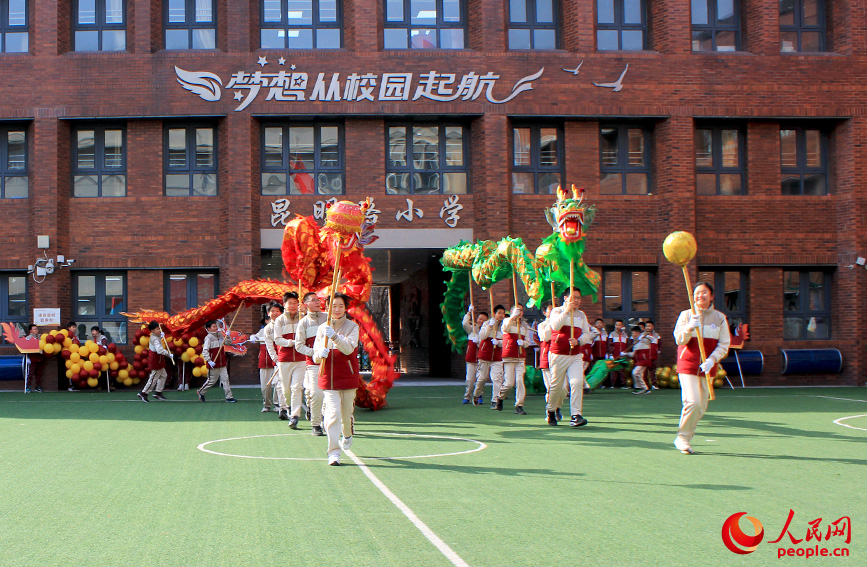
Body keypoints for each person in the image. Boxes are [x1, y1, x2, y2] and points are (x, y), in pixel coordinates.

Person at [673, 282, 730, 454]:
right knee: (693, 401)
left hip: (707, 368)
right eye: (697, 293)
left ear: (711, 296)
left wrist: (713, 359)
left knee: (701, 406)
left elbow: (724, 344)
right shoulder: (686, 314)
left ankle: (686, 436)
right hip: (688, 366)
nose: (700, 296)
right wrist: (690, 327)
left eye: (704, 292)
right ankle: (682, 437)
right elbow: (679, 339)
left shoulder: (719, 318)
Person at [312, 293, 360, 466]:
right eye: (333, 306)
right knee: (333, 414)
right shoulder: (321, 328)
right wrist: (320, 354)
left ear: (345, 307)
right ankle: (333, 452)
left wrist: (334, 337)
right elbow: (316, 357)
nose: (337, 309)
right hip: (328, 377)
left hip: (347, 376)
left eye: (340, 306)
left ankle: (347, 433)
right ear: (327, 308)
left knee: (346, 415)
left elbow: (348, 349)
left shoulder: (352, 327)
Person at [546, 288, 592, 427]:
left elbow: (586, 334)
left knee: (577, 382)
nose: (577, 300)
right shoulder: (557, 311)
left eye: (579, 298)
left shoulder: (581, 315)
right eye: (574, 297)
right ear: (565, 298)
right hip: (558, 354)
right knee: (557, 387)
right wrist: (567, 311)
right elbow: (555, 326)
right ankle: (551, 410)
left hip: (575, 355)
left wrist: (578, 341)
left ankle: (575, 415)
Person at [295, 292, 329, 436]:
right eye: (313, 300)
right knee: (315, 393)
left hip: (330, 362)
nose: (317, 302)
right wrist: (315, 353)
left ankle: (326, 419)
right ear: (306, 304)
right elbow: (299, 345)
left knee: (329, 394)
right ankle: (316, 424)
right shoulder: (303, 322)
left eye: (318, 300)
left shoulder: (328, 317)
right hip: (313, 363)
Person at [273, 292, 306, 428]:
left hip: (301, 358)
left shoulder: (304, 318)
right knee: (286, 389)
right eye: (290, 303)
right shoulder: (280, 320)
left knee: (297, 387)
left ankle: (294, 416)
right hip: (285, 359)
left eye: (295, 303)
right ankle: (287, 407)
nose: (293, 306)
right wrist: (292, 342)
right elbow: (277, 339)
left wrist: (305, 312)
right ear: (284, 304)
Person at [497, 304, 531, 414]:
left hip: (520, 357)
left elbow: (527, 341)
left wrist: (524, 343)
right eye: (517, 310)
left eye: (521, 310)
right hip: (509, 356)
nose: (519, 312)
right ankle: (500, 397)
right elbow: (504, 328)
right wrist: (512, 317)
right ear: (512, 311)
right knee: (509, 383)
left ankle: (519, 405)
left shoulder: (524, 326)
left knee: (520, 381)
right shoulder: (508, 321)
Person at [472, 304, 505, 407]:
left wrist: (499, 343)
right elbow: (482, 336)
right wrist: (490, 326)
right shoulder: (487, 323)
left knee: (497, 379)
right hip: (485, 356)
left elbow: (507, 341)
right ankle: (476, 394)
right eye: (499, 313)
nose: (501, 315)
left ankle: (495, 400)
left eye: (503, 313)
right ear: (494, 314)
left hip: (497, 357)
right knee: (481, 378)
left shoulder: (504, 325)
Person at [250, 303, 281, 413]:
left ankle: (278, 404)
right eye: (272, 312)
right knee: (265, 386)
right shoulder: (264, 330)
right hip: (265, 361)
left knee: (279, 385)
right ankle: (267, 404)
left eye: (277, 311)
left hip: (278, 360)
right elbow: (255, 337)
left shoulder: (284, 327)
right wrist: (253, 337)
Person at [199, 320, 236, 402]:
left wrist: (228, 336)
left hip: (222, 362)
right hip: (213, 363)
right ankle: (201, 392)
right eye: (214, 326)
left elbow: (228, 343)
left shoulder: (220, 335)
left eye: (216, 326)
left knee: (225, 379)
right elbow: (205, 351)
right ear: (209, 329)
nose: (216, 328)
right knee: (212, 381)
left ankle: (229, 397)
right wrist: (209, 361)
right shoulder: (208, 338)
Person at [138, 321, 173, 402]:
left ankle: (158, 392)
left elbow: (157, 340)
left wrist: (161, 336)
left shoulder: (156, 336)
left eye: (159, 329)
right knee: (153, 378)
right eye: (157, 329)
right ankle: (144, 393)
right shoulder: (155, 339)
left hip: (159, 360)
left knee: (163, 375)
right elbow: (159, 350)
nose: (159, 330)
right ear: (152, 331)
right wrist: (168, 354)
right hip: (156, 360)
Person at [461, 305, 488, 404]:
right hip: (471, 359)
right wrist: (468, 313)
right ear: (477, 319)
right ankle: (467, 395)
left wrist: (479, 342)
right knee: (470, 379)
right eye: (480, 319)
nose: (481, 321)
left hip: (482, 359)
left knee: (480, 379)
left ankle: (479, 395)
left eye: (484, 320)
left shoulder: (486, 331)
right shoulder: (472, 329)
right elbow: (464, 324)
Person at [626, 326, 652, 394]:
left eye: (633, 333)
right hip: (639, 361)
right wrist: (625, 354)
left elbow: (652, 340)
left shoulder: (645, 340)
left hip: (644, 360)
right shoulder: (635, 342)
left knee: (635, 373)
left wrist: (644, 336)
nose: (632, 335)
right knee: (639, 374)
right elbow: (633, 354)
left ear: (637, 333)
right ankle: (643, 388)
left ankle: (640, 387)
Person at [607, 319, 629, 389]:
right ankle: (613, 383)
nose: (618, 326)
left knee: (622, 369)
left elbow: (627, 345)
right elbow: (609, 345)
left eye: (619, 325)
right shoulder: (612, 334)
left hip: (622, 355)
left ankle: (624, 384)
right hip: (615, 355)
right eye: (616, 325)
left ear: (622, 326)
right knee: (614, 369)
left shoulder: (625, 335)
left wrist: (625, 353)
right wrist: (610, 354)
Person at [24, 324, 43, 393]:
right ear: (30, 331)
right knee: (31, 373)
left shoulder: (40, 337)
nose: (36, 330)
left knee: (39, 373)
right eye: (34, 329)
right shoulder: (28, 338)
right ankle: (28, 386)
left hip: (39, 357)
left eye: (37, 329)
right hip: (32, 358)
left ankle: (38, 386)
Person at [645, 320, 661, 390]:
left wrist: (658, 350)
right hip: (645, 356)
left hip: (653, 355)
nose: (648, 328)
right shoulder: (643, 335)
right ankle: (645, 385)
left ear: (652, 327)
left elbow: (660, 344)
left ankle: (653, 384)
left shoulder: (656, 335)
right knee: (644, 371)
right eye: (646, 326)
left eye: (649, 326)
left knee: (652, 371)